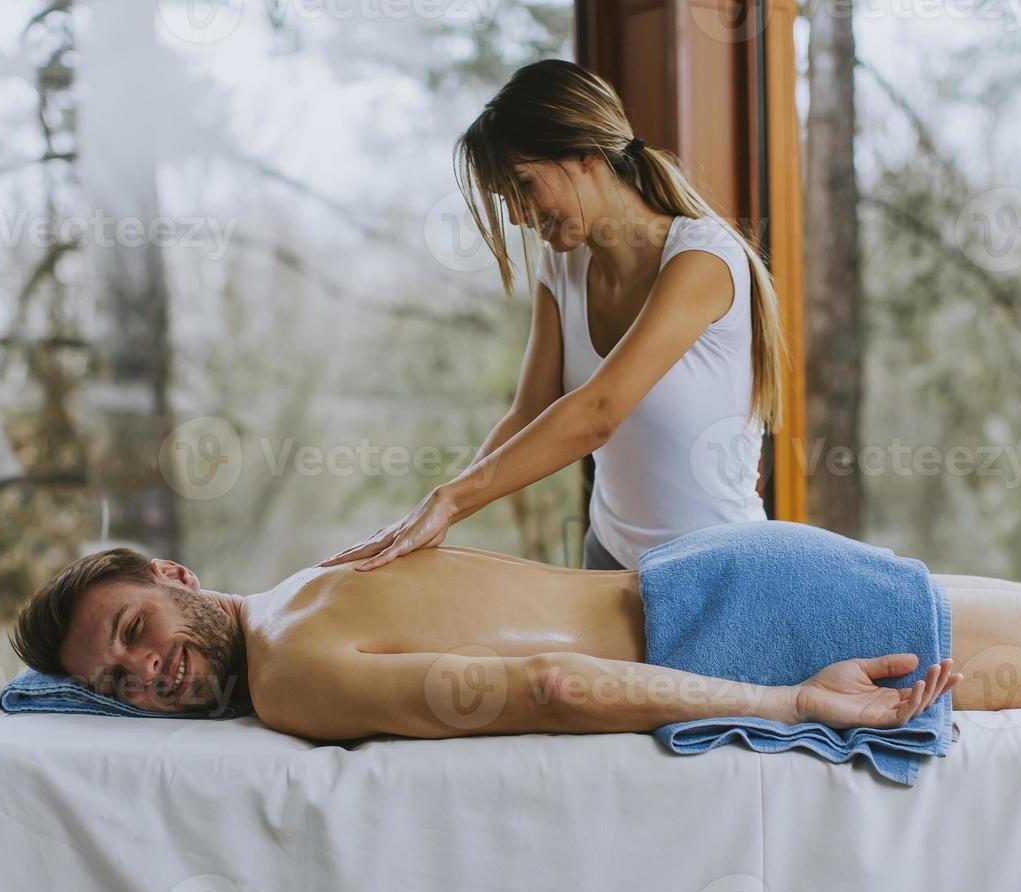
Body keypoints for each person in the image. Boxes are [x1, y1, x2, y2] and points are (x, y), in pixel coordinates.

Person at [6, 521, 1021, 742]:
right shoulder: (302, 585)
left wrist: (791, 703)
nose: (141, 667)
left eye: (132, 625)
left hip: (742, 621)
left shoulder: (291, 675)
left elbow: (553, 683)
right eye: (112, 682)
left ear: (173, 576)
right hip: (725, 576)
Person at [320, 59, 786, 573]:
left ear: (585, 154)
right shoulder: (561, 263)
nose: (519, 215)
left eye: (523, 186)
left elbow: (598, 413)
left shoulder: (703, 258)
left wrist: (451, 499)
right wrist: (438, 512)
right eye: (506, 199)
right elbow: (529, 413)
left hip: (720, 572)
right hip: (608, 560)